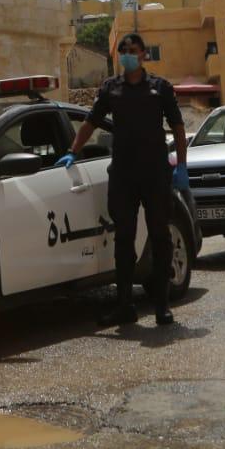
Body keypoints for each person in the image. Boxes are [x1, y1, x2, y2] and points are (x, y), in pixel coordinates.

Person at [57, 31, 188, 327]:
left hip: (155, 173)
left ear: (143, 55)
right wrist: (72, 152)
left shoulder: (160, 88)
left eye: (133, 50)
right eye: (123, 50)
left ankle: (162, 305)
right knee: (123, 238)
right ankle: (125, 305)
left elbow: (178, 127)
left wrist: (181, 166)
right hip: (124, 174)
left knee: (160, 236)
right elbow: (90, 122)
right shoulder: (110, 88)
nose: (127, 54)